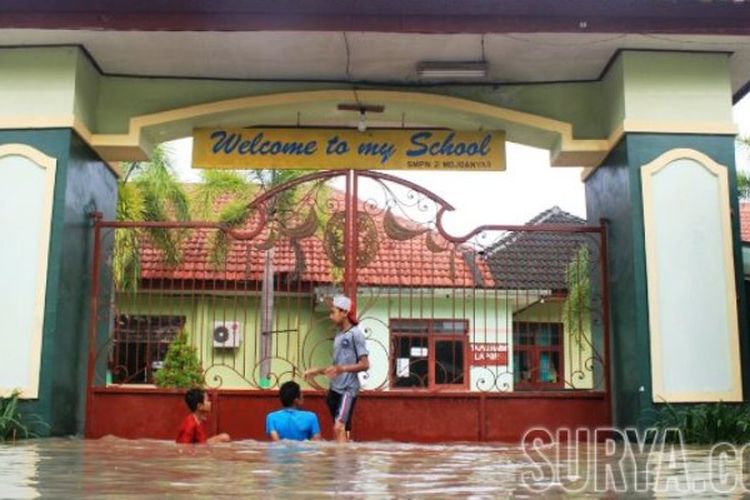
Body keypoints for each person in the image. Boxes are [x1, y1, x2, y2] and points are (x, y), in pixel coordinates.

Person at [303, 295, 369, 443]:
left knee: (338, 427)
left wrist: (342, 368)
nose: (330, 316)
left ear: (344, 313)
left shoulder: (356, 335)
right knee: (341, 431)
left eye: (333, 312)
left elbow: (365, 364)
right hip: (334, 390)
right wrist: (315, 371)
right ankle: (343, 463)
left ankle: (342, 463)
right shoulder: (339, 336)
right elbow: (335, 367)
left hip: (348, 389)